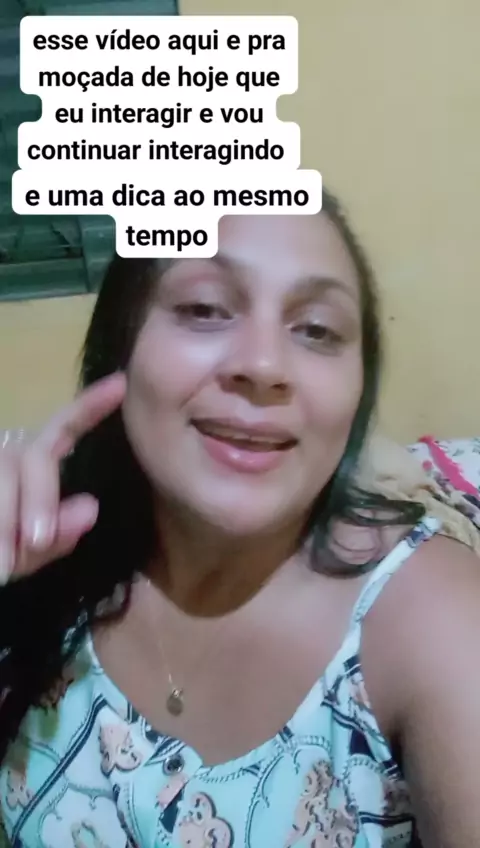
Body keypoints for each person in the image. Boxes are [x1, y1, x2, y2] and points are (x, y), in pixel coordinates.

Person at [0, 195, 479, 848]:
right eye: (204, 309)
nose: (264, 366)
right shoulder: (45, 556)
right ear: (121, 347)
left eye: (317, 330)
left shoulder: (436, 620)